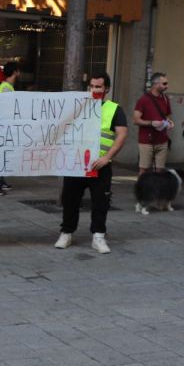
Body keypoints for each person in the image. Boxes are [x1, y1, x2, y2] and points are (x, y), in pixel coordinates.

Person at [54, 73, 129, 254]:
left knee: (100, 202)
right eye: (92, 86)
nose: (94, 90)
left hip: (100, 165)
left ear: (107, 89)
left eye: (98, 87)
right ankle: (66, 233)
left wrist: (107, 157)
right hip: (76, 164)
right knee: (70, 200)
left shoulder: (114, 109)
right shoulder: (77, 107)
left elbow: (122, 134)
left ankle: (98, 236)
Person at [133, 72, 173, 176]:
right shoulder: (143, 100)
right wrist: (151, 123)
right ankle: (141, 190)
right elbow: (136, 120)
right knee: (144, 170)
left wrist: (169, 122)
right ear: (155, 84)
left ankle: (156, 191)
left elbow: (167, 116)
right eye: (164, 83)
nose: (167, 86)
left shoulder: (165, 98)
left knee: (160, 170)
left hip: (162, 140)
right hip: (147, 141)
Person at [0, 61, 21, 196]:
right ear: (15, 72)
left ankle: (1, 181)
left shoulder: (6, 86)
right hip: (3, 127)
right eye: (19, 70)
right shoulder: (6, 88)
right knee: (1, 156)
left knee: (4, 154)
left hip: (4, 126)